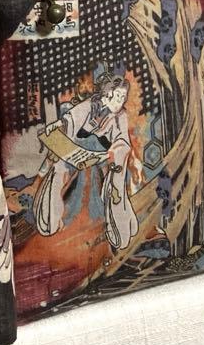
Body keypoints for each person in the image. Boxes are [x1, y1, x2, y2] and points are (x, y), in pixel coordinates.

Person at [33, 74, 140, 251]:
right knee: (59, 169)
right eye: (119, 96)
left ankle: (114, 226)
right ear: (108, 94)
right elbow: (70, 119)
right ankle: (51, 219)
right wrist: (57, 126)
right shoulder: (90, 104)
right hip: (78, 151)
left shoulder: (120, 115)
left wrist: (114, 152)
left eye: (124, 97)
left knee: (114, 183)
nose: (121, 101)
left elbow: (123, 142)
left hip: (103, 158)